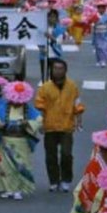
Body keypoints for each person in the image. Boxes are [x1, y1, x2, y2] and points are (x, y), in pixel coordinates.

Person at [32, 61, 83, 193]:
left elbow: (77, 104)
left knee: (66, 154)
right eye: (55, 68)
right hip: (50, 126)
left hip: (67, 125)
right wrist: (40, 123)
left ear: (65, 70)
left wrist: (79, 119)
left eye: (60, 68)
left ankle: (66, 179)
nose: (58, 71)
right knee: (51, 155)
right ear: (51, 70)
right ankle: (53, 181)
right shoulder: (45, 87)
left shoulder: (72, 86)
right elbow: (39, 106)